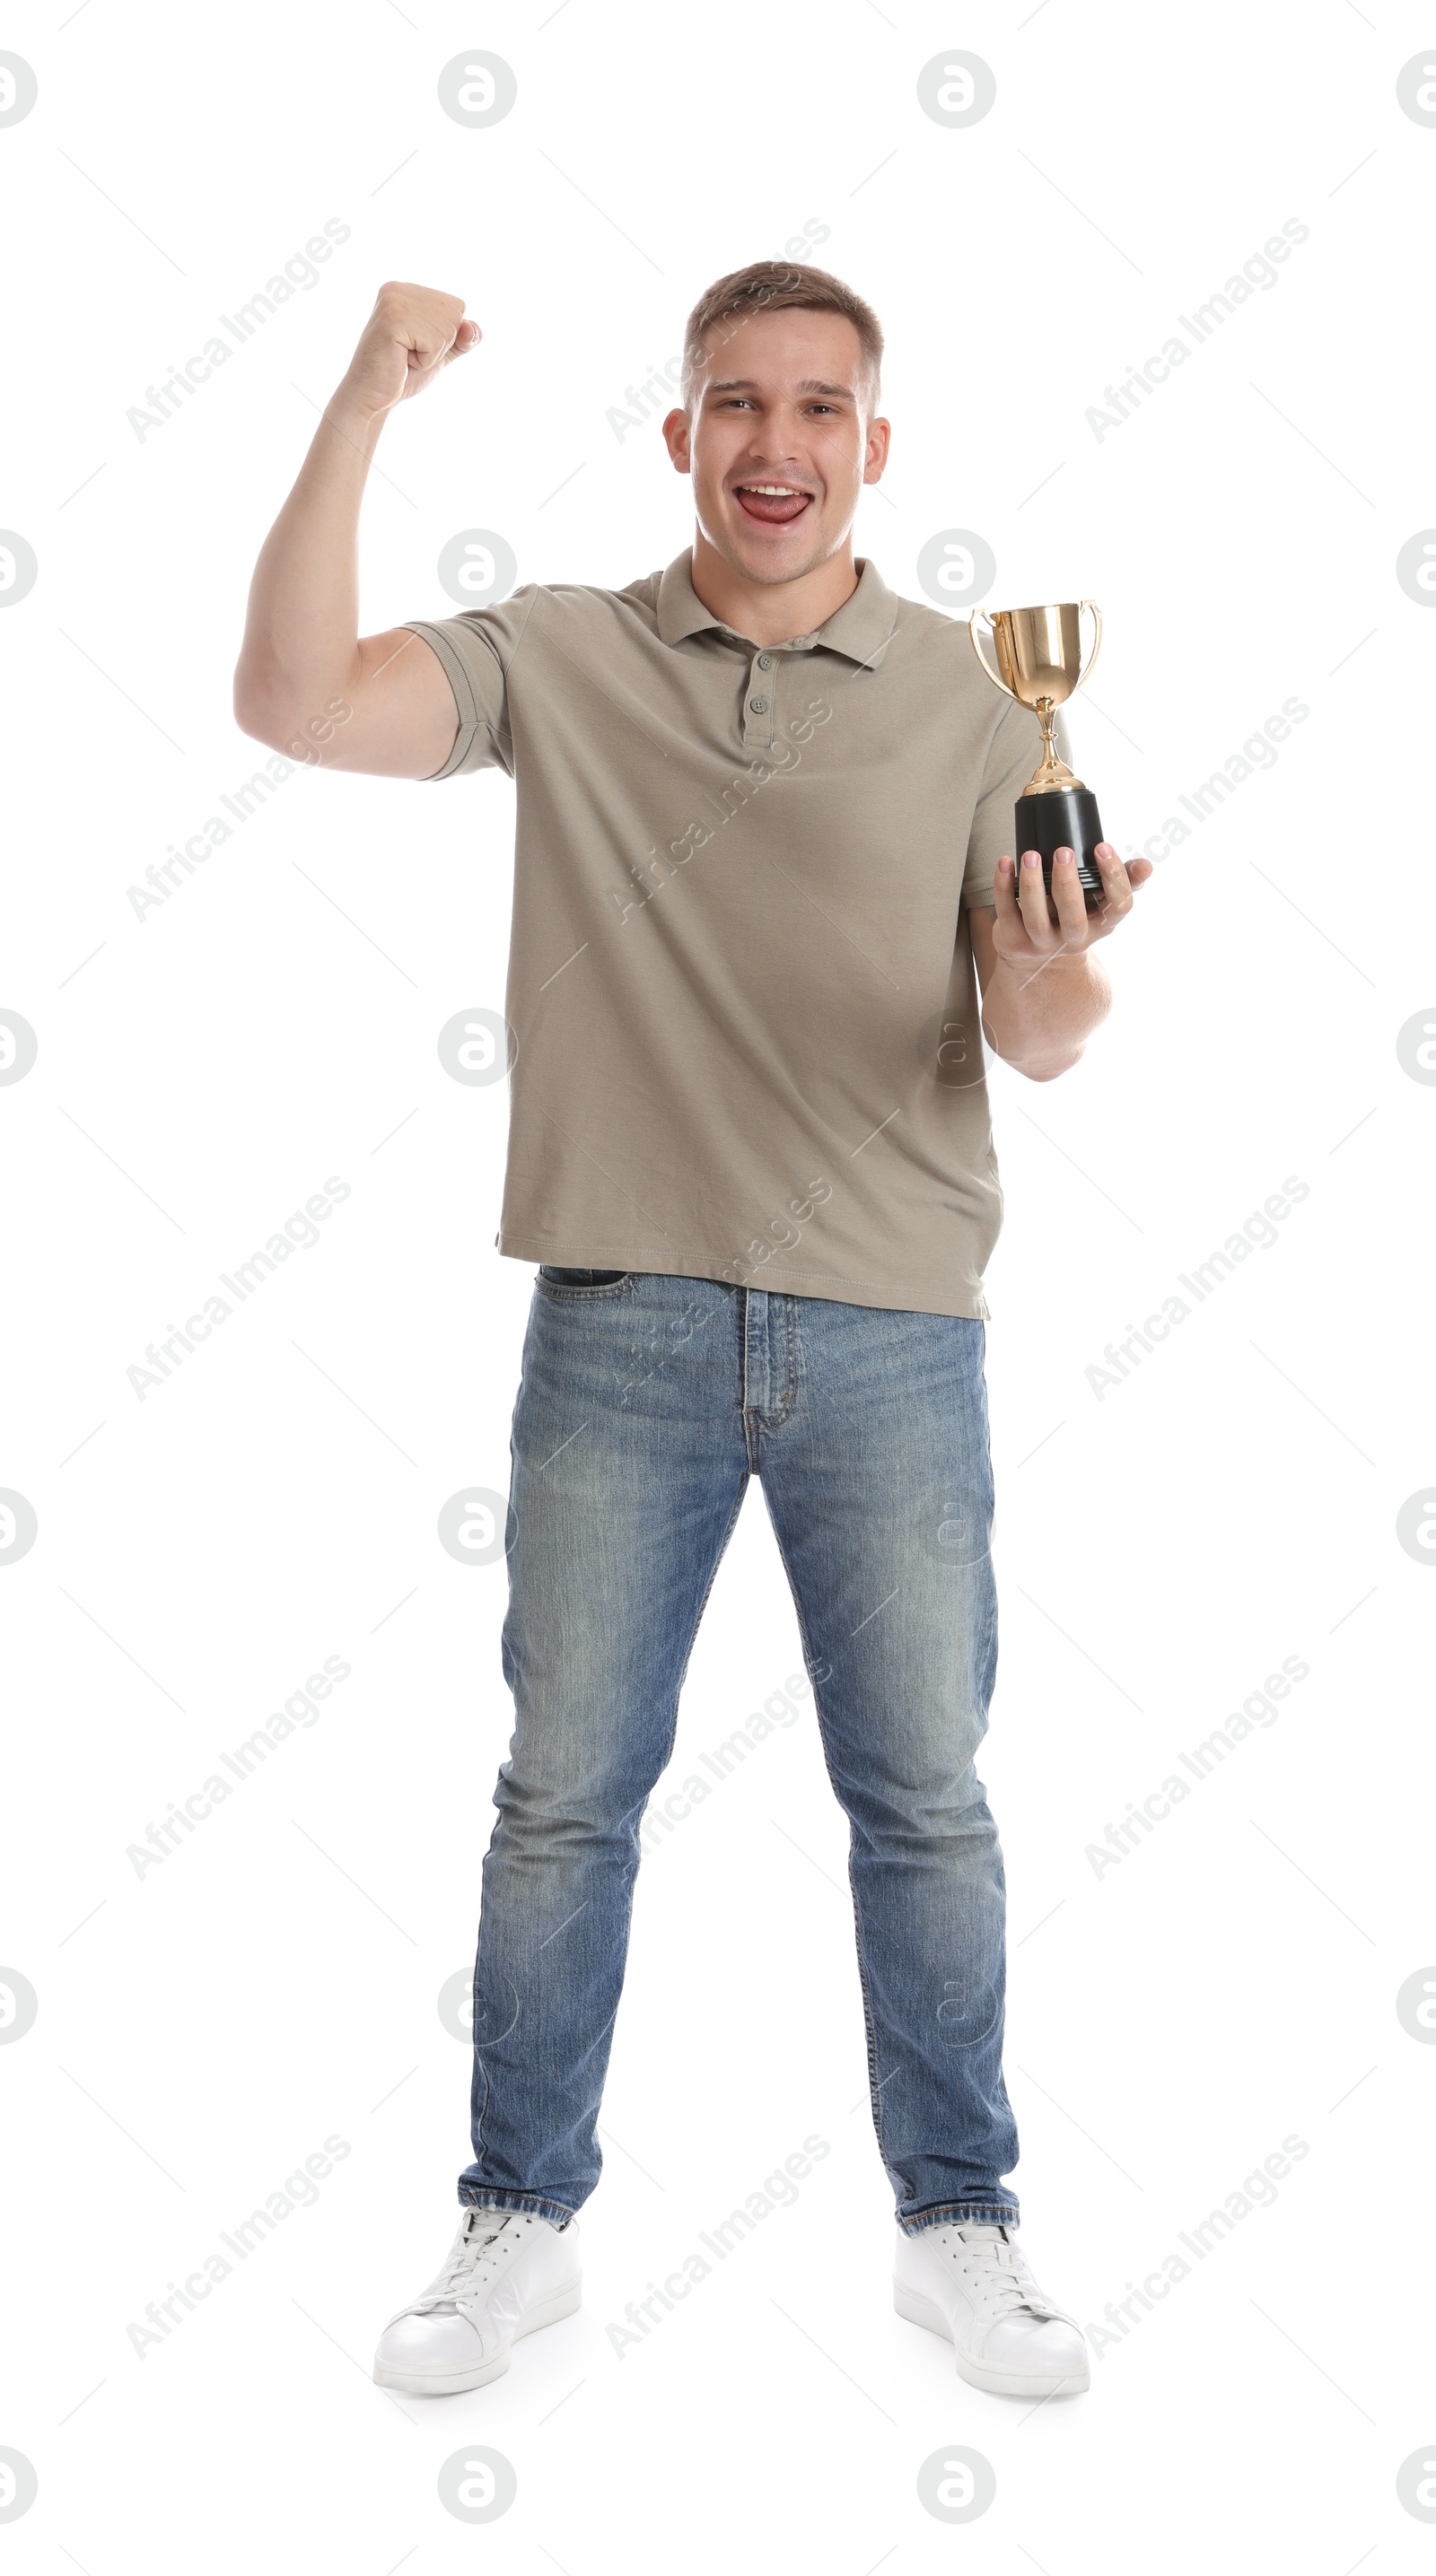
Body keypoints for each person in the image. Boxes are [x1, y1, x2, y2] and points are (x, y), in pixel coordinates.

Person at [234, 258, 1151, 2404]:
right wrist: (366, 397)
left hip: (894, 1327)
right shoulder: (564, 653)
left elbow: (1037, 1039)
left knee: (921, 1795)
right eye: (733, 402)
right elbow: (286, 699)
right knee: (563, 1795)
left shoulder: (968, 692)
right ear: (679, 437)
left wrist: (1056, 957)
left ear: (872, 448)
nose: (773, 444)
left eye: (817, 408)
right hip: (622, 1310)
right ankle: (518, 2220)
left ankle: (959, 2224)